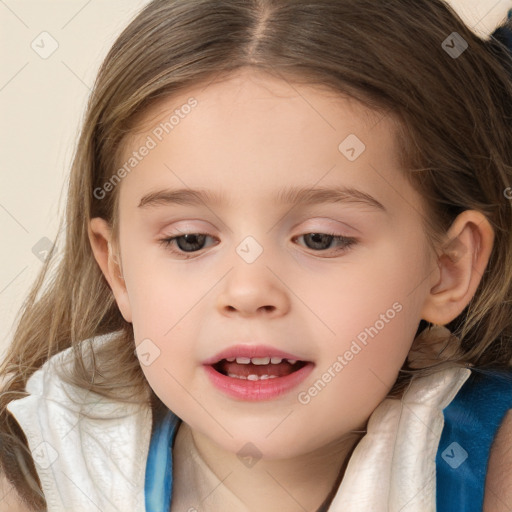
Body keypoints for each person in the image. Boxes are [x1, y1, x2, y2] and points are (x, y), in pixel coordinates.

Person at [1, 1, 511, 511]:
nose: (247, 292)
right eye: (190, 241)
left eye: (320, 239)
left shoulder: (494, 471)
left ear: (447, 269)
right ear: (118, 270)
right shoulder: (33, 482)